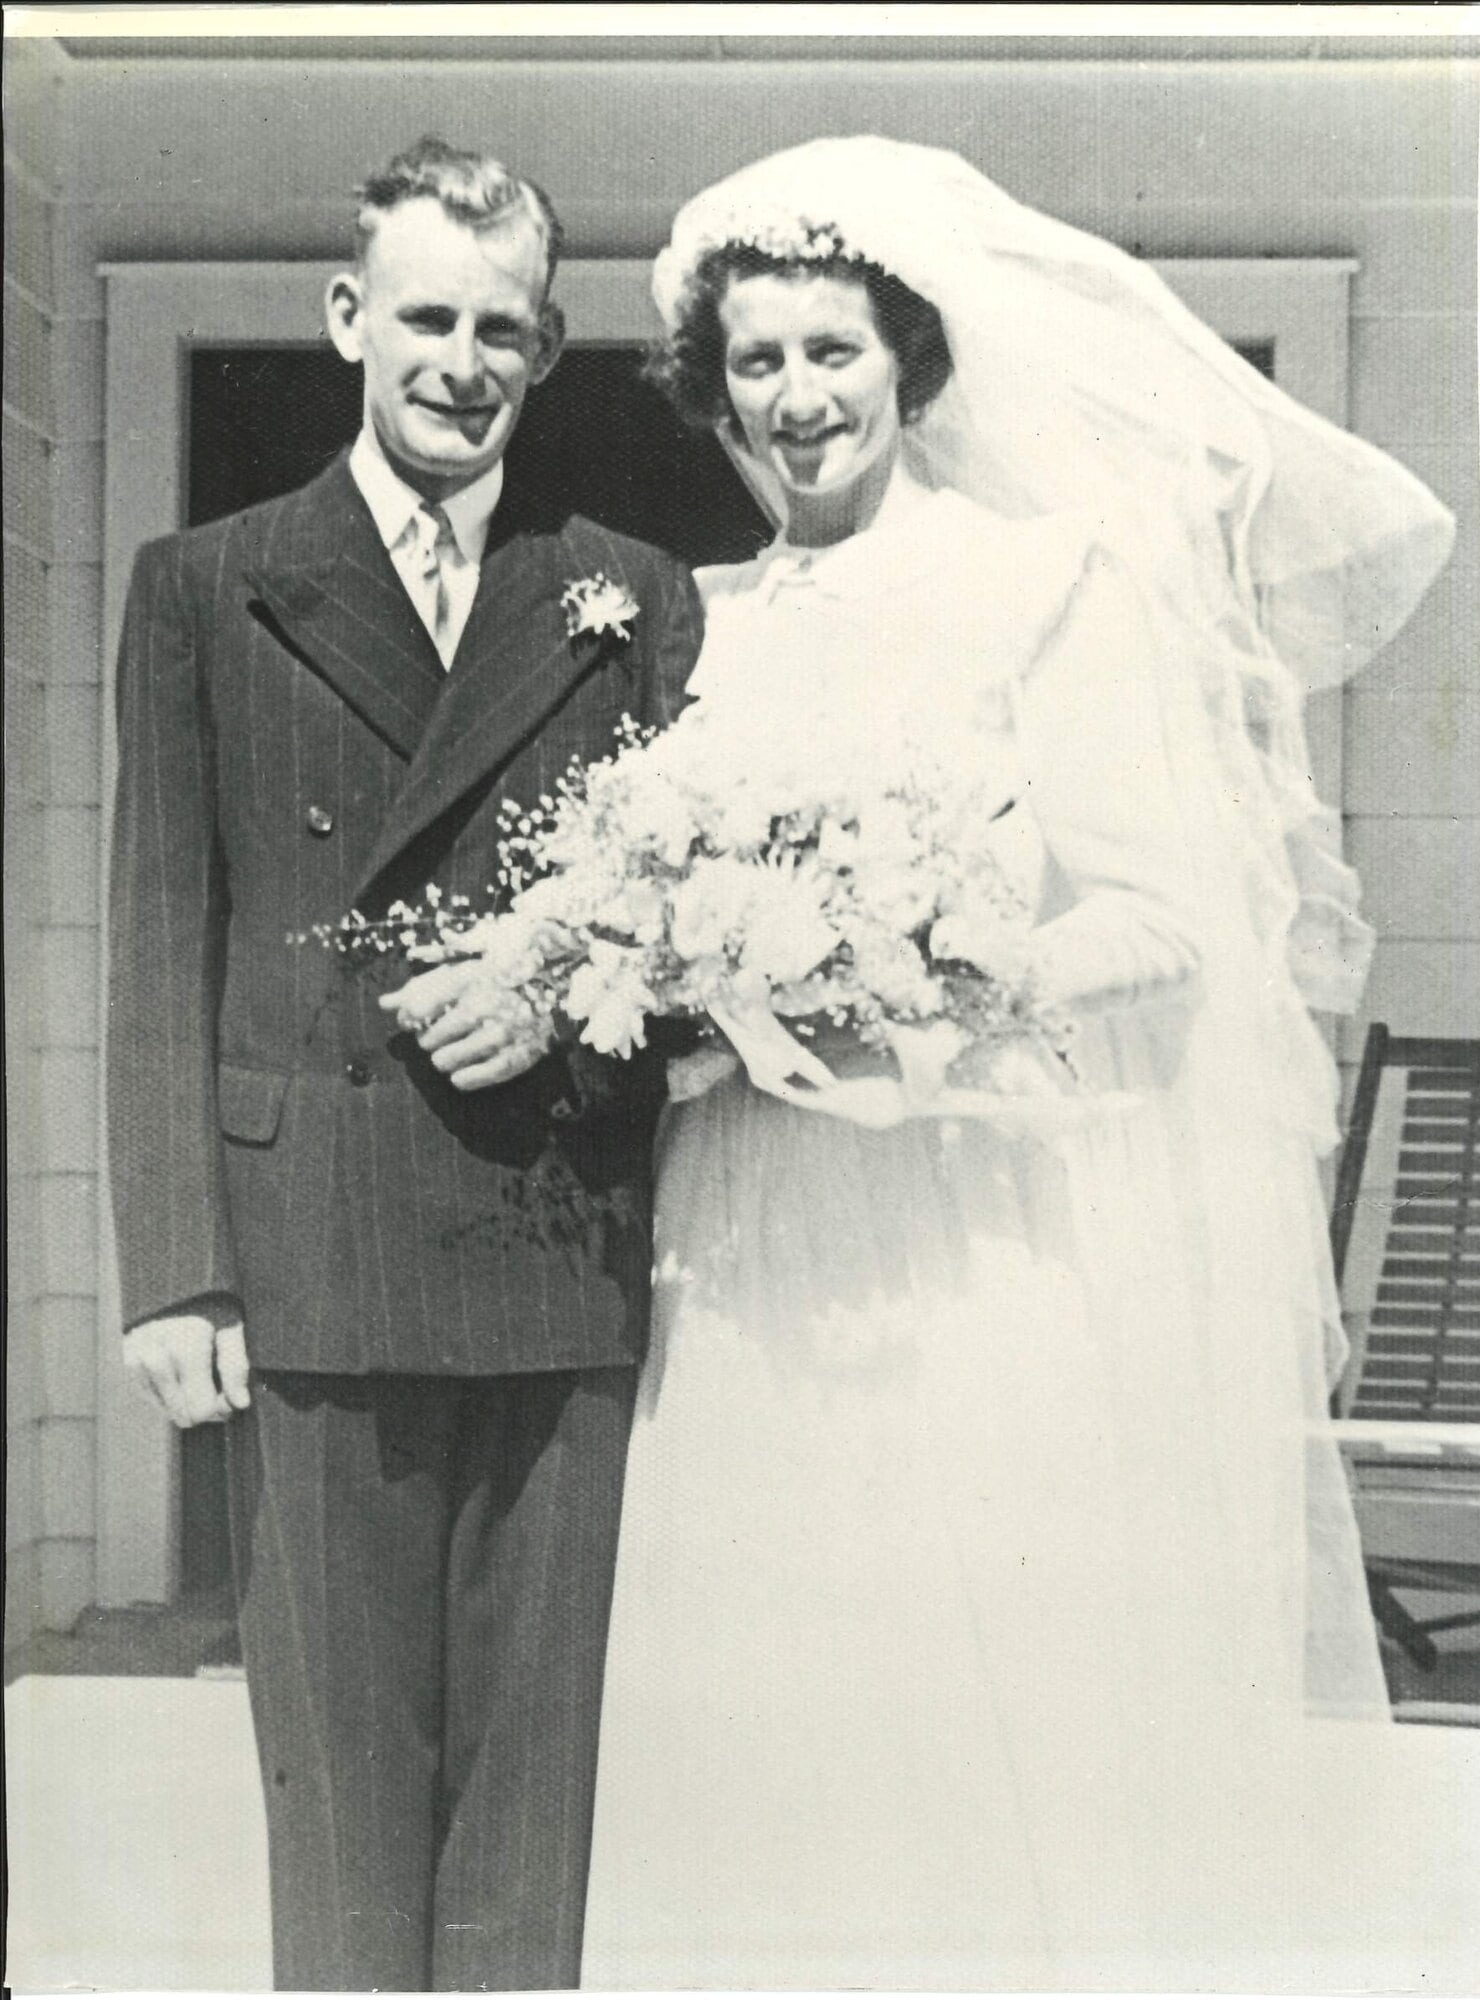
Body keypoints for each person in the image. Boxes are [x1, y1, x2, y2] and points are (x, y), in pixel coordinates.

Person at [397, 139, 1455, 1987]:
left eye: (834, 353)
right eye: (756, 363)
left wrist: (920, 980)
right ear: (708, 389)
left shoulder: (1049, 583)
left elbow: (1157, 922)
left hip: (965, 1230)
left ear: (907, 361)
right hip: (747, 1229)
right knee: (764, 1692)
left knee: (969, 1690)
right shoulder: (697, 621)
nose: (797, 400)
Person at [106, 136, 702, 1992]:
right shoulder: (210, 583)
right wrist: (176, 1268)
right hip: (311, 1255)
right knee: (347, 1804)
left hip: (551, 1240)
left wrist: (565, 1004)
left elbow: (698, 930)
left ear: (546, 356)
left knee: (531, 1812)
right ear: (349, 317)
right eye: (426, 315)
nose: (459, 360)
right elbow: (157, 930)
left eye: (501, 329)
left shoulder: (628, 594)